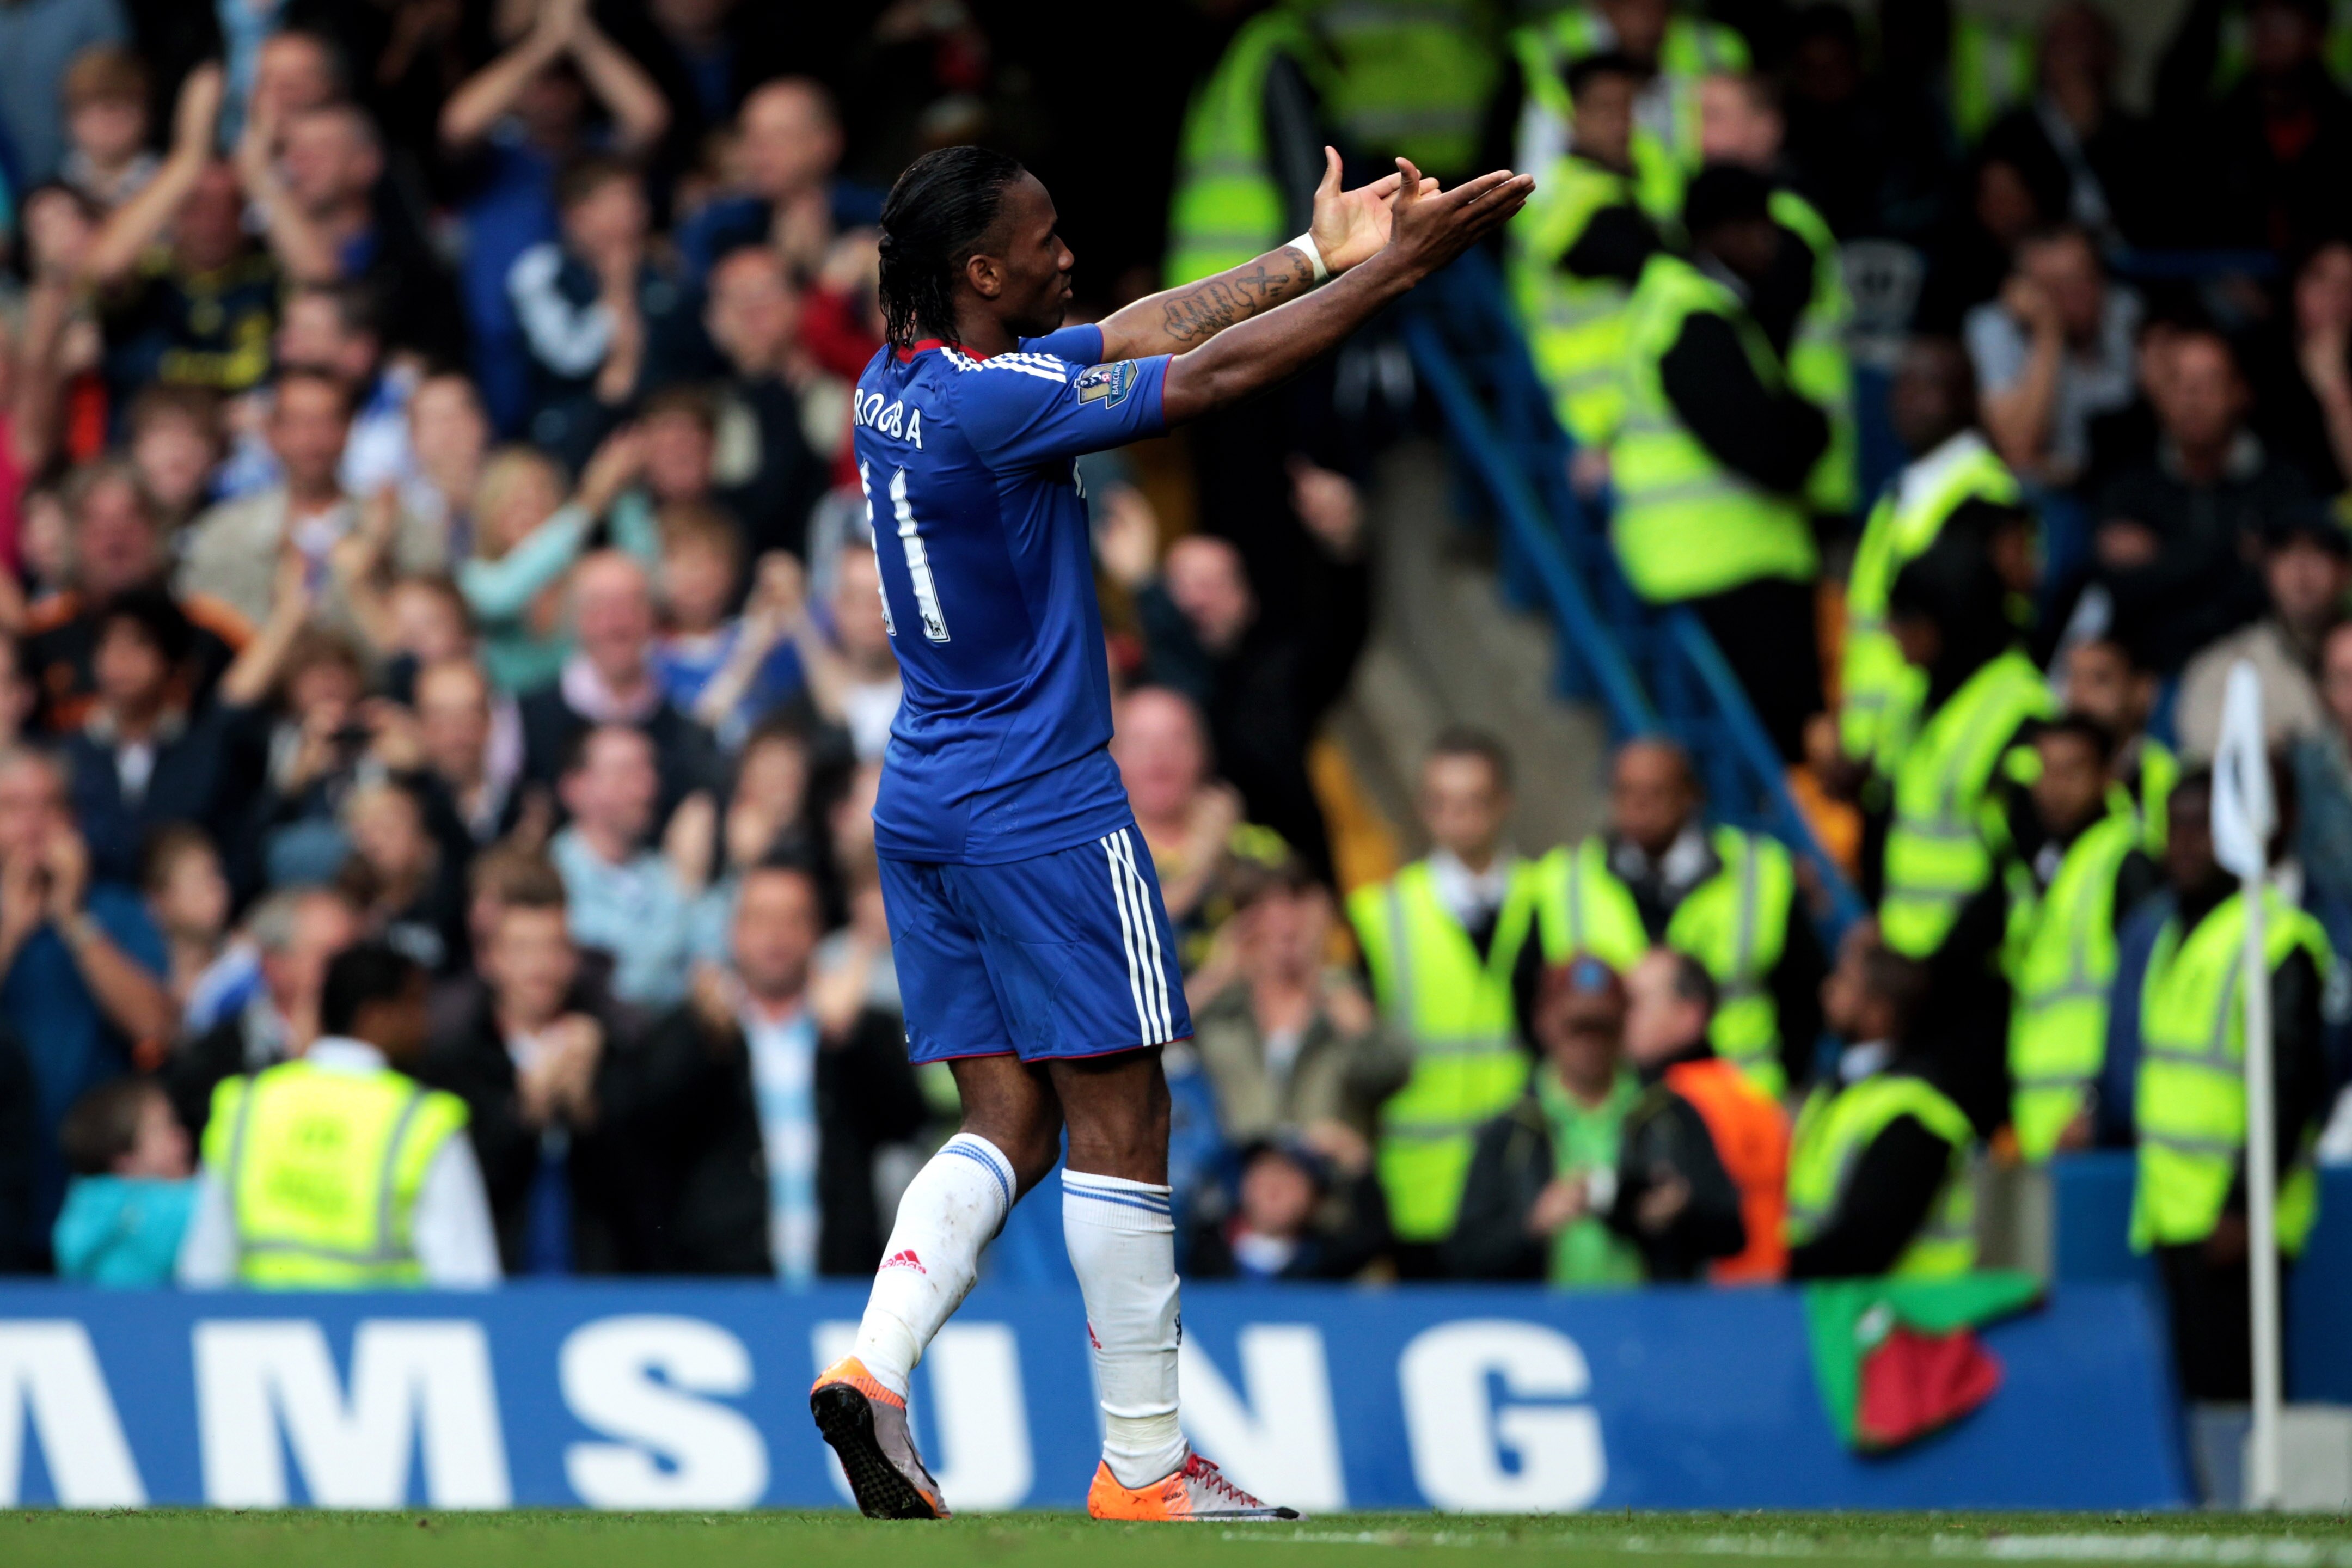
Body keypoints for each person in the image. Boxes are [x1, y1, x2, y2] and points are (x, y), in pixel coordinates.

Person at [810, 141, 1529, 1523]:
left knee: (1007, 1120)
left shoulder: (899, 386)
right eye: (1041, 239)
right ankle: (1144, 1463)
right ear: (979, 272)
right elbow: (1197, 379)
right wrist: (1402, 273)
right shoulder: (995, 410)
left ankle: (876, 1368)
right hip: (1043, 803)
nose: (1064, 255)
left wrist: (1314, 255)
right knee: (1124, 1115)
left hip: (927, 797)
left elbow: (1130, 333)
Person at [2131, 765, 2333, 1399]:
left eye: (2202, 826)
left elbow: (2289, 1087)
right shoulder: (2174, 933)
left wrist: (2246, 1205)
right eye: (2175, 826)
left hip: (2233, 1224)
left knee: (2236, 1404)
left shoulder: (2276, 940)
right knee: (2188, 1399)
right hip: (2171, 1212)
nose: (2185, 842)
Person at [1612, 164, 1827, 761]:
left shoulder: (1701, 305)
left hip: (1720, 562)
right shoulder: (1692, 315)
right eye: (1757, 228)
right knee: (1773, 753)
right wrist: (1813, 426)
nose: (1771, 242)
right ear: (1716, 235)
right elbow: (1768, 449)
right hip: (1726, 566)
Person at [638, 860, 926, 1278]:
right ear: (732, 931)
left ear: (817, 934)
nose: (776, 935)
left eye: (794, 919)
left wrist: (853, 1037)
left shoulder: (853, 1025)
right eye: (760, 919)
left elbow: (907, 1120)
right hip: (722, 1284)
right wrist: (700, 1039)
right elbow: (645, 1126)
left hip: (839, 1283)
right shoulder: (696, 1027)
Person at [177, 941, 500, 1288]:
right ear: (376, 1017)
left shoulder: (246, 1105)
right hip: (384, 1337)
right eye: (416, 1005)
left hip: (258, 1338)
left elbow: (203, 1269)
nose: (427, 1024)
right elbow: (468, 1282)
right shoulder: (424, 1122)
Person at [1877, 512, 2052, 1130]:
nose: (1893, 639)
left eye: (1906, 623)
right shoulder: (1920, 699)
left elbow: (2019, 867)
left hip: (1977, 985)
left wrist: (1938, 968)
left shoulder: (2017, 710)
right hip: (1913, 981)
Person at [1347, 730, 1542, 1275]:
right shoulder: (1380, 914)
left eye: (1476, 801)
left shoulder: (1549, 896)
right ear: (1424, 808)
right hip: (1421, 1190)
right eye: (1443, 802)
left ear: (1505, 803)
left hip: (1526, 1182)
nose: (1460, 817)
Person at [1533, 737, 1825, 1099]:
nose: (1638, 807)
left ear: (1690, 795)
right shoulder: (1566, 880)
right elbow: (1534, 1000)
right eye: (1625, 792)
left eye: (1655, 793)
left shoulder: (1760, 871)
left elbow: (1805, 991)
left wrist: (1788, 1073)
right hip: (1618, 1106)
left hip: (1737, 1102)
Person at [420, 863, 640, 1275]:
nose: (540, 967)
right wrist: (524, 1112)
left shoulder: (613, 1048)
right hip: (499, 1285)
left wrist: (588, 1110)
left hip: (594, 1283)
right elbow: (455, 1187)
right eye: (522, 950)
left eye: (555, 949)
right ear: (490, 960)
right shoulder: (457, 1059)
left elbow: (644, 1191)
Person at [0, 745, 174, 1264]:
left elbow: (156, 1026)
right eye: (13, 808)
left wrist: (74, 922)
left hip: (97, 1196)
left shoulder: (114, 912)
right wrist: (11, 932)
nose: (33, 827)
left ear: (72, 820)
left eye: (48, 808)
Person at [1838, 338, 2023, 787]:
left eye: (1929, 386)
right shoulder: (1897, 494)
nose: (1909, 400)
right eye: (1903, 385)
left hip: (1945, 735)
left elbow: (1965, 635)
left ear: (1964, 397)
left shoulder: (1985, 495)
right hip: (1882, 748)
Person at [2093, 327, 2311, 677]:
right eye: (2180, 382)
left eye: (2210, 382)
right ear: (2160, 394)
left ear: (2240, 393)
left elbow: (2291, 592)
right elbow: (2123, 591)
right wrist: (2236, 554)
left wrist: (2164, 558)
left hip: (2263, 669)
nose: (2193, 397)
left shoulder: (2283, 484)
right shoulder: (2128, 487)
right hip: (2155, 674)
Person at [1694, 69, 1857, 523]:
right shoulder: (1715, 217)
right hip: (1767, 482)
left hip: (1806, 476)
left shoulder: (1787, 225)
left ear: (1767, 128)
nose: (1699, 135)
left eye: (1716, 117)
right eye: (1693, 118)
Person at [2007, 715, 2163, 1162]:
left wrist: (2095, 1105)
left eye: (2072, 772)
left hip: (2095, 1128)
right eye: (2046, 772)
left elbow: (2146, 995)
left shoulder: (2125, 860)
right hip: (2040, 1125)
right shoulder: (2041, 869)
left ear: (2106, 775)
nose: (2055, 789)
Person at [1445, 955, 1646, 1286]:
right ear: (1545, 1022)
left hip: (1652, 1322)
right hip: (1546, 1327)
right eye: (1577, 1028)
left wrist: (1672, 1214)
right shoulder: (1509, 1130)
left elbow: (1727, 1231)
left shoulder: (1663, 1114)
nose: (1590, 1043)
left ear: (1625, 1024)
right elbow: (1463, 1255)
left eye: (1604, 1028)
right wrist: (1532, 1225)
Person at [1187, 853, 1409, 1147]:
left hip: (1332, 1184)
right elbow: (1153, 1053)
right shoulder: (1222, 1013)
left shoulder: (1345, 1000)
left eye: (1296, 905)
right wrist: (1214, 976)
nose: (1284, 925)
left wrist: (1353, 1020)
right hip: (1241, 1186)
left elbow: (1393, 1075)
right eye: (1264, 910)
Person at [1509, 52, 1661, 457]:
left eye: (1629, 107)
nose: (1621, 122)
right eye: (1604, 108)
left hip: (1633, 407)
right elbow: (1652, 263)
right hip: (1596, 418)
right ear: (1572, 115)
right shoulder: (1564, 197)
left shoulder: (1637, 183)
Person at [1606, 946, 1787, 1282]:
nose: (1619, 1017)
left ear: (1691, 1015)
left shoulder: (1683, 1101)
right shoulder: (1745, 1093)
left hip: (1713, 1302)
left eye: (1636, 1003)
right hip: (1770, 1298)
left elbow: (1707, 1215)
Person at [164, 886, 363, 1143]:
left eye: (355, 954)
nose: (353, 970)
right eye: (330, 957)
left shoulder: (382, 1037)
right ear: (275, 965)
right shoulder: (217, 1059)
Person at [1965, 225, 2142, 487]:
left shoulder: (2128, 314)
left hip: (2122, 481)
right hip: (2045, 495)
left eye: (2083, 279)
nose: (2075, 296)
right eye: (2055, 287)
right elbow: (2018, 450)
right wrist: (2048, 332)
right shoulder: (1995, 327)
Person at [549, 724, 707, 1009]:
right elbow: (611, 989)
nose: (645, 788)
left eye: (648, 771)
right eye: (625, 773)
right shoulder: (550, 877)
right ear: (574, 788)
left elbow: (712, 961)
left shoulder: (668, 874)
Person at [2175, 506, 2348, 761]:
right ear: (2266, 570)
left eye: (2319, 552)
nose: (2301, 570)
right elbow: (2202, 748)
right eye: (2285, 553)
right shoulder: (2223, 667)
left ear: (2346, 570)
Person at [51, 1074, 193, 1284]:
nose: (181, 1136)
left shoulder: (82, 1205)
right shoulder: (184, 1205)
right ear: (125, 1160)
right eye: (165, 1127)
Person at [2063, 633, 2177, 853]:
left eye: (2100, 680)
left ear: (2143, 689)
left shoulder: (2168, 776)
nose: (2079, 696)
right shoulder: (2036, 770)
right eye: (2072, 678)